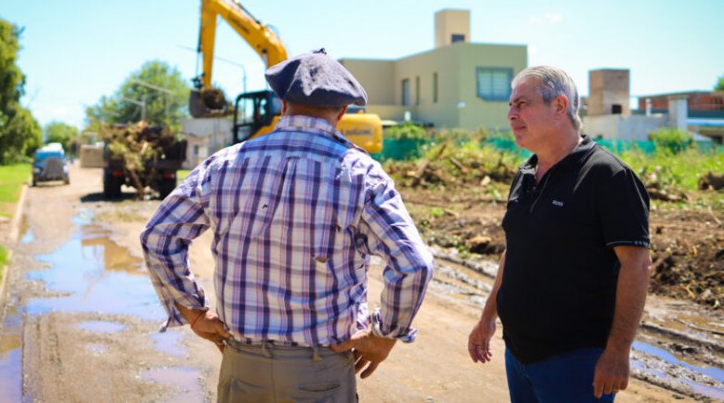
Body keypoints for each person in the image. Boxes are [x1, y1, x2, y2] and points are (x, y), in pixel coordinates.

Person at [142, 48, 433, 402]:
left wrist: (194, 312)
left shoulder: (223, 164)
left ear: (282, 105)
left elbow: (157, 237)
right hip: (321, 370)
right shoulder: (362, 174)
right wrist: (384, 336)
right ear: (341, 112)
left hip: (242, 367)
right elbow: (413, 264)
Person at [467, 65, 652, 402]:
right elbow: (516, 250)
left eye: (522, 104)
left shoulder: (608, 177)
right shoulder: (525, 173)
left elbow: (636, 266)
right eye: (510, 105)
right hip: (518, 355)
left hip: (576, 363)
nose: (511, 114)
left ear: (559, 106)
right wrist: (487, 317)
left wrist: (618, 352)